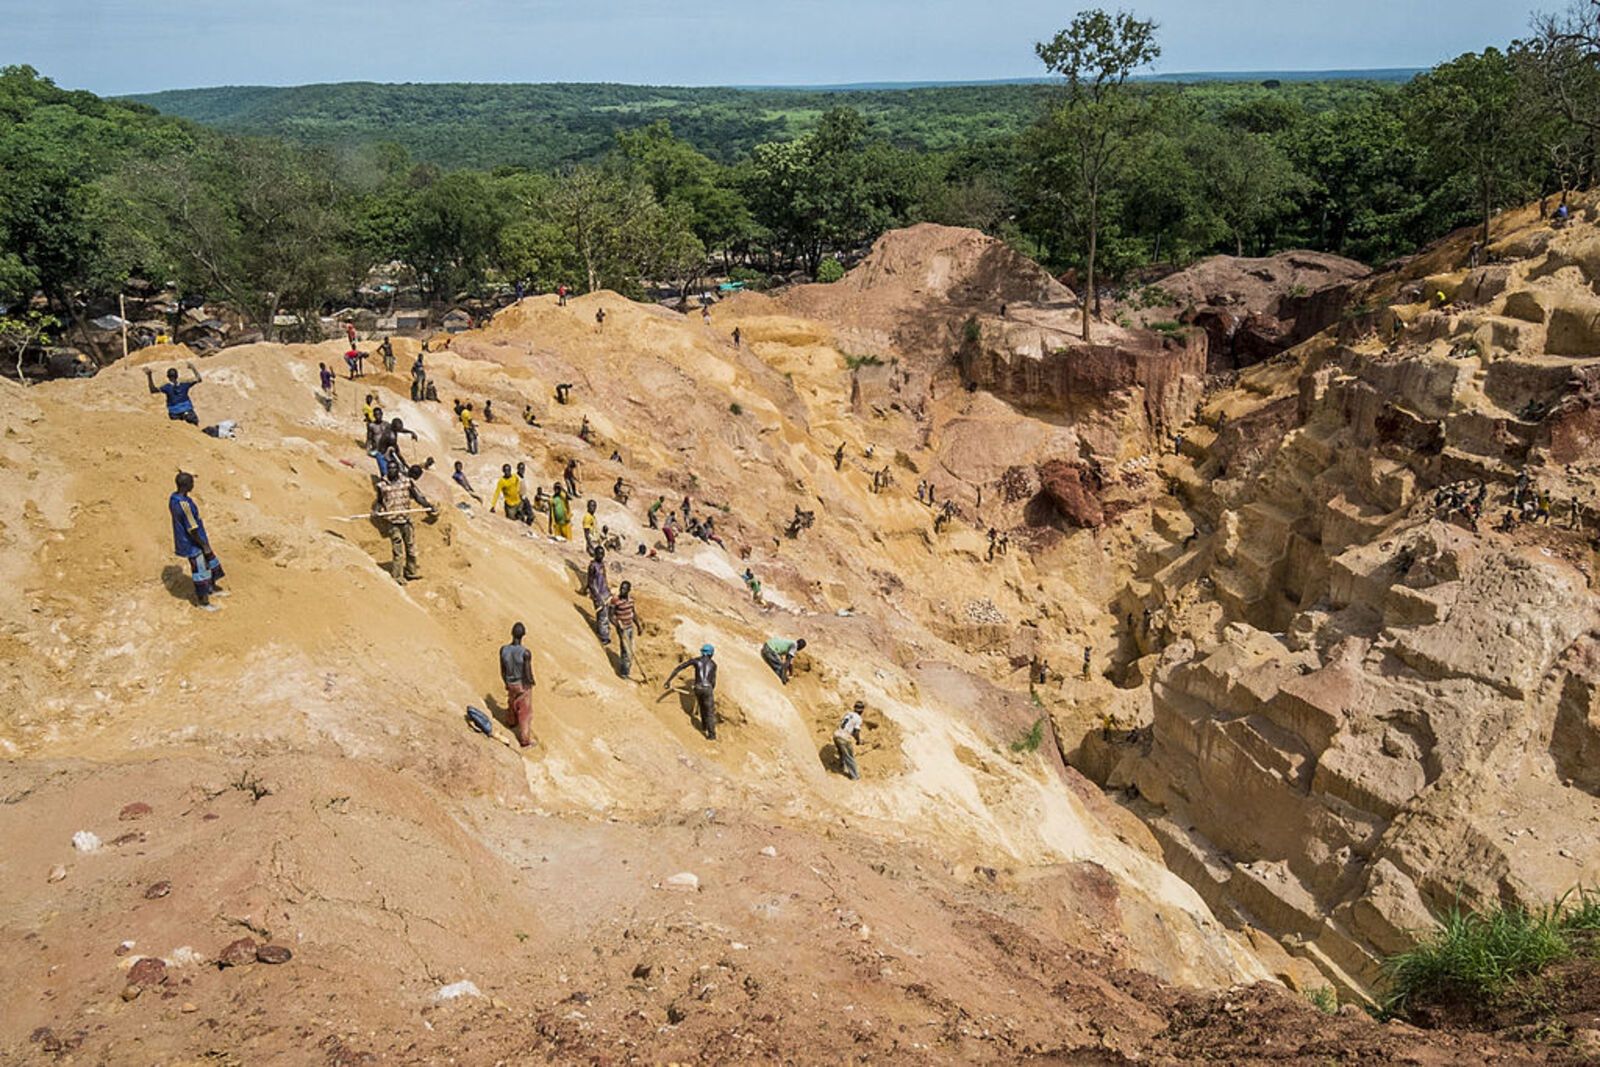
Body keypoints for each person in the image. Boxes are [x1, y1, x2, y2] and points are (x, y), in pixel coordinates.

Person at [169, 471, 226, 609]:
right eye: (191, 483)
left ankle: (211, 588)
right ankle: (203, 601)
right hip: (192, 543)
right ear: (186, 485)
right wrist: (203, 544)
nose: (193, 485)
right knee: (200, 570)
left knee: (209, 563)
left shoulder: (174, 498)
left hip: (192, 540)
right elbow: (192, 528)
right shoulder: (184, 505)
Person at [374, 463, 436, 585]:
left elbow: (418, 497)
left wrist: (428, 506)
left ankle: (411, 572)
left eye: (394, 468)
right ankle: (397, 576)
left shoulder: (406, 482)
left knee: (411, 548)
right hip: (393, 522)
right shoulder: (382, 485)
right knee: (398, 550)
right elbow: (379, 502)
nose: (391, 470)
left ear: (398, 470)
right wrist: (376, 510)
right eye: (389, 468)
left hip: (406, 520)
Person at [665, 644, 719, 740]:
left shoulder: (696, 661)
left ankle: (704, 726)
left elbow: (679, 668)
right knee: (709, 711)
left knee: (702, 705)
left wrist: (668, 681)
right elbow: (713, 681)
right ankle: (711, 735)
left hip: (698, 687)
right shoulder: (713, 664)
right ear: (711, 653)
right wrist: (710, 690)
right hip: (707, 688)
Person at [499, 622, 536, 748]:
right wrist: (531, 682)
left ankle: (510, 721)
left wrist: (506, 682)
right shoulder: (525, 653)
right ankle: (525, 741)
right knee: (525, 713)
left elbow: (502, 670)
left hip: (510, 682)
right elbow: (527, 672)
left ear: (512, 633)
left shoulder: (504, 650)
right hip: (521, 684)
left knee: (512, 702)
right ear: (523, 635)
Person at [608, 581, 640, 679]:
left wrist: (638, 626)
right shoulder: (615, 600)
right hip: (622, 629)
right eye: (621, 588)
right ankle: (624, 673)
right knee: (626, 651)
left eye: (624, 589)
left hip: (630, 627)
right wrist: (617, 624)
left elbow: (633, 613)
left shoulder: (631, 600)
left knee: (629, 648)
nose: (622, 590)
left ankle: (625, 668)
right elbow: (610, 615)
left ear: (628, 590)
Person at [586, 547, 612, 645]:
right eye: (599, 554)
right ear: (595, 554)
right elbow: (591, 583)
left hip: (605, 592)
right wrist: (597, 596)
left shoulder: (602, 565)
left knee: (605, 613)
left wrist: (608, 590)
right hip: (598, 594)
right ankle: (604, 637)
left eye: (602, 554)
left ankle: (601, 630)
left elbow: (604, 578)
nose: (601, 556)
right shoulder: (593, 566)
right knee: (603, 615)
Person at [834, 701, 865, 780]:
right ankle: (855, 776)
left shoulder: (848, 714)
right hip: (844, 737)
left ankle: (840, 766)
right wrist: (858, 740)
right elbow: (856, 732)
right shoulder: (858, 718)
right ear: (862, 710)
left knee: (842, 752)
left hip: (836, 734)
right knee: (850, 757)